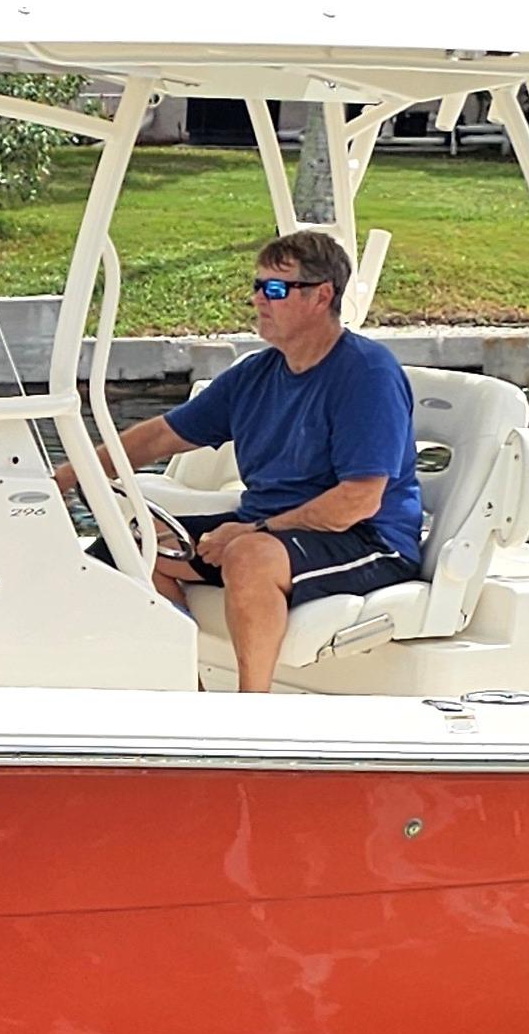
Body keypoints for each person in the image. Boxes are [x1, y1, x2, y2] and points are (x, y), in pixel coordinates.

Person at [55, 228, 424, 693]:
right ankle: (192, 691)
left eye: (275, 289)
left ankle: (251, 715)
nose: (258, 300)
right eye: (257, 287)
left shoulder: (367, 375)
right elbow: (160, 437)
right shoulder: (254, 374)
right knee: (127, 546)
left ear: (321, 296)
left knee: (248, 554)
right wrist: (66, 478)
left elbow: (358, 501)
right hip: (271, 526)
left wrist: (253, 531)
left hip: (368, 538)